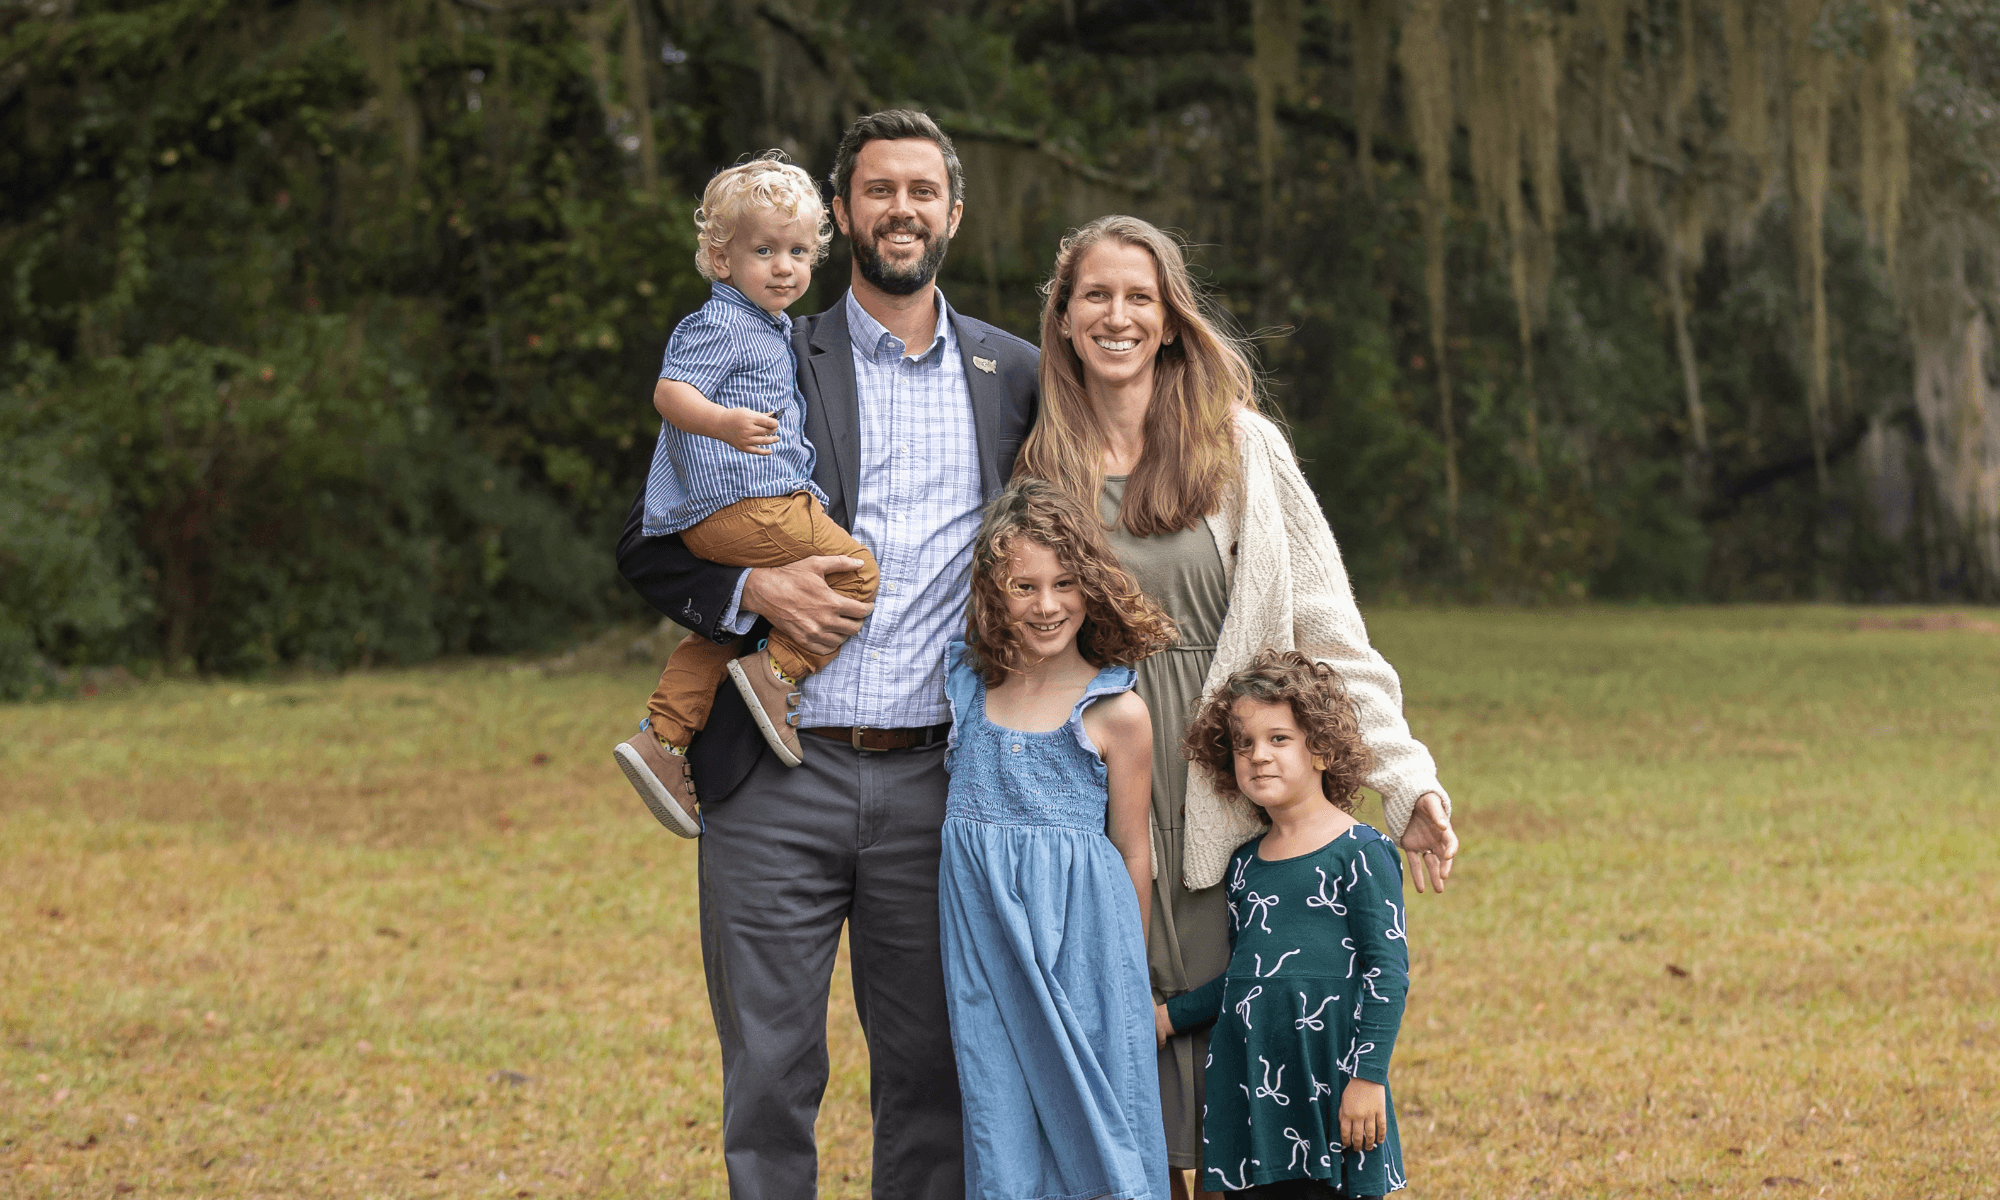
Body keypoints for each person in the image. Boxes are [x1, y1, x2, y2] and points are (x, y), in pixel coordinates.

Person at [614, 110, 1039, 1199]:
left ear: (953, 211)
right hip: (773, 781)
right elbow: (649, 543)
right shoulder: (763, 344)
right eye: (878, 190)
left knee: (932, 1075)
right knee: (766, 1075)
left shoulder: (1013, 374)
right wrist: (751, 587)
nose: (902, 210)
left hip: (940, 779)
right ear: (842, 212)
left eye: (923, 191)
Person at [1015, 215, 1456, 1199]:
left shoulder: (1240, 448)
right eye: (1094, 295)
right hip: (1096, 817)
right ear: (1063, 316)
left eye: (1139, 297)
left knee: (1234, 1096)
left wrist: (1404, 778)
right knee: (1114, 1090)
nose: (1116, 315)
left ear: (1170, 320)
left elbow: (1323, 629)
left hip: (1222, 811)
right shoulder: (1038, 460)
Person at [613, 152, 880, 837]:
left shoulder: (769, 327)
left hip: (744, 512)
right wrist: (722, 422)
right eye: (763, 250)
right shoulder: (721, 323)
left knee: (735, 632)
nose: (784, 266)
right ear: (721, 258)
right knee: (856, 573)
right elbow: (668, 393)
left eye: (796, 251)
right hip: (747, 504)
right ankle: (779, 676)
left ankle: (662, 738)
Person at [939, 479, 1176, 1200]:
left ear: (1091, 585)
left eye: (1066, 583)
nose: (1047, 605)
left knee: (1098, 1124)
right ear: (992, 589)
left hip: (1085, 949)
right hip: (986, 951)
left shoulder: (1115, 711)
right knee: (1000, 1119)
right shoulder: (966, 688)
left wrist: (1127, 979)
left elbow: (1134, 850)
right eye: (1025, 586)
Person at [1156, 650, 1410, 1198]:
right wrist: (1170, 1018)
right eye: (1243, 743)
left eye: (1278, 739)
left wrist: (1367, 1079)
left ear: (1320, 748)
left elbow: (1387, 976)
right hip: (1254, 1090)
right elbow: (1250, 977)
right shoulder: (1244, 864)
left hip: (1331, 1079)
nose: (1258, 756)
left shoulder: (1360, 853)